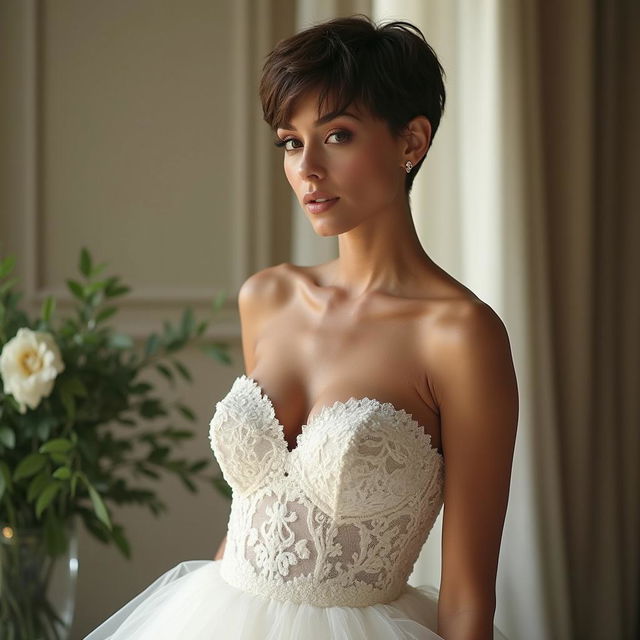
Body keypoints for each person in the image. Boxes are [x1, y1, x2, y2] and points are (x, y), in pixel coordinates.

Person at [84, 13, 518, 639]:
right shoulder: (268, 297)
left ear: (411, 142)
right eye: (291, 141)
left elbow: (468, 596)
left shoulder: (460, 335)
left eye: (337, 136)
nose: (307, 168)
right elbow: (253, 518)